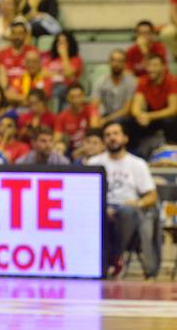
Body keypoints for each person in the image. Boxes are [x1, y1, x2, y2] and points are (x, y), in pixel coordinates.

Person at [87, 122, 160, 279]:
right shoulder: (94, 163)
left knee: (126, 212)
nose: (112, 138)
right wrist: (102, 208)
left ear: (125, 138)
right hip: (100, 209)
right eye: (107, 135)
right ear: (103, 141)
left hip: (128, 209)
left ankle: (115, 256)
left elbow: (152, 196)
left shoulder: (137, 164)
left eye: (116, 133)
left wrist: (138, 203)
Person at [129, 54, 177, 156]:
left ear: (164, 67)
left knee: (170, 121)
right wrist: (141, 116)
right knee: (130, 121)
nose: (151, 69)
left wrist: (149, 116)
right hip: (151, 118)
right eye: (149, 65)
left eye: (155, 65)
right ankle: (137, 153)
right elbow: (135, 109)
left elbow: (173, 109)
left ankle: (172, 151)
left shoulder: (172, 81)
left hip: (166, 117)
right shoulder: (143, 81)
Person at [92, 49, 136, 127]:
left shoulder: (131, 82)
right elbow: (94, 106)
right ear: (109, 62)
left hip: (124, 118)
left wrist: (106, 120)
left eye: (119, 61)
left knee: (121, 121)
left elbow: (127, 110)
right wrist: (95, 123)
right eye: (113, 60)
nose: (116, 64)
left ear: (125, 64)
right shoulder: (100, 82)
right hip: (106, 115)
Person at [0, 18, 38, 95]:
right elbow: (2, 76)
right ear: (11, 35)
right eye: (14, 33)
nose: (17, 36)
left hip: (28, 90)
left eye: (20, 33)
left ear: (25, 35)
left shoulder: (33, 51)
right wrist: (6, 90)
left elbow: (38, 73)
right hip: (9, 92)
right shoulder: (2, 53)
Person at [54, 83, 101, 152]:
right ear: (67, 98)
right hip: (71, 149)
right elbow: (56, 138)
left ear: (83, 96)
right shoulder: (62, 116)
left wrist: (82, 150)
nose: (76, 100)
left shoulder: (91, 110)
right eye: (72, 97)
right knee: (59, 147)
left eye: (79, 96)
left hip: (88, 147)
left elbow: (94, 133)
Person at [44, 30, 83, 108]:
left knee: (58, 89)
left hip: (65, 89)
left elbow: (69, 73)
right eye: (59, 42)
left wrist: (64, 55)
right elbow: (43, 73)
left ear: (70, 44)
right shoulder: (51, 59)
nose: (61, 45)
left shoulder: (76, 60)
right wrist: (60, 73)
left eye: (64, 42)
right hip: (49, 88)